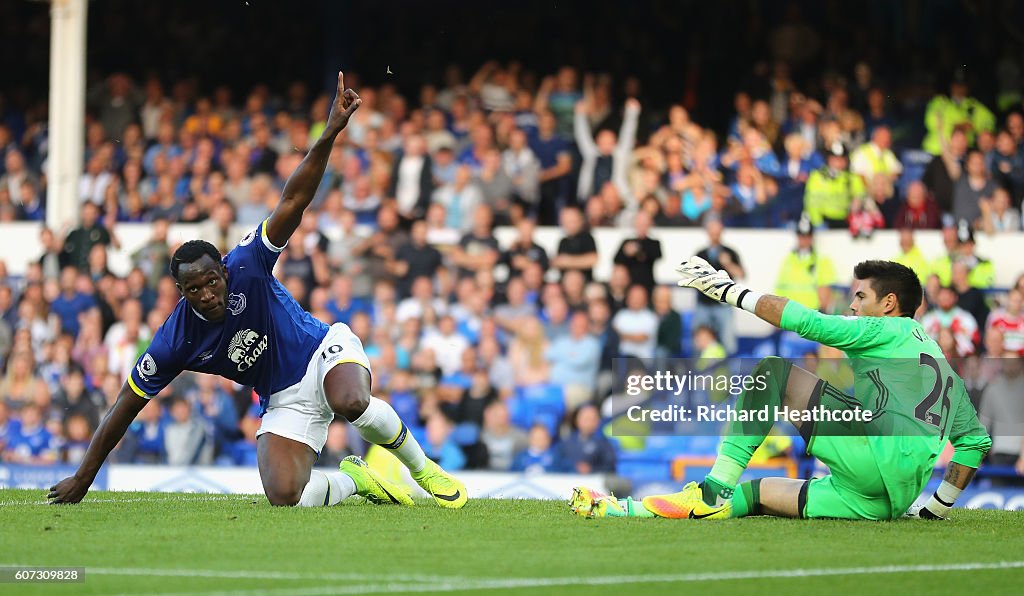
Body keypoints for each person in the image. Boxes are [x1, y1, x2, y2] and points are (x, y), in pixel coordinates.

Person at [48, 73, 467, 510]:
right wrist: (84, 476)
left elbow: (292, 202)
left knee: (351, 400)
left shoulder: (247, 264)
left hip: (322, 353)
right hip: (283, 398)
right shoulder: (175, 340)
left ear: (223, 272)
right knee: (285, 497)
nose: (207, 292)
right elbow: (124, 406)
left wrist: (329, 133)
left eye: (212, 280)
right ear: (180, 292)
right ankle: (356, 483)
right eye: (194, 288)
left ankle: (423, 469)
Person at [571, 258, 990, 521]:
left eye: (859, 296)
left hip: (872, 458)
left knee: (771, 371)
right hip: (887, 502)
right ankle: (625, 509)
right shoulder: (939, 363)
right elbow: (974, 443)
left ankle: (713, 487)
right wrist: (936, 509)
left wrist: (731, 292)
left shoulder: (886, 327)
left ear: (888, 303)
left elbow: (811, 324)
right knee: (756, 495)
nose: (852, 306)